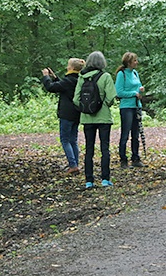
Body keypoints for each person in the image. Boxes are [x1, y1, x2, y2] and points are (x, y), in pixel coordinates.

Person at [74, 51, 117, 188]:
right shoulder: (106, 77)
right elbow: (111, 98)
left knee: (89, 149)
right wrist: (103, 105)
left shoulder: (82, 77)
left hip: (87, 119)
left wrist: (86, 108)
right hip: (103, 118)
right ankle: (105, 179)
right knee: (104, 148)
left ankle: (89, 181)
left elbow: (76, 99)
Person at [41, 58, 85, 174]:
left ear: (71, 68)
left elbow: (51, 88)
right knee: (73, 140)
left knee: (65, 140)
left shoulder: (68, 81)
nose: (67, 67)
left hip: (66, 114)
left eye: (68, 66)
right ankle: (75, 164)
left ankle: (72, 165)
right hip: (77, 114)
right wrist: (55, 77)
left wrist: (46, 77)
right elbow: (62, 86)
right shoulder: (79, 80)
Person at [114, 52, 144, 168]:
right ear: (129, 62)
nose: (136, 62)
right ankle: (123, 159)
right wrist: (134, 93)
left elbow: (139, 88)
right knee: (125, 133)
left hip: (137, 106)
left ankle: (135, 158)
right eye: (134, 61)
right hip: (126, 107)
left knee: (136, 134)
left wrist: (141, 91)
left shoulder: (135, 73)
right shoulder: (122, 74)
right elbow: (119, 92)